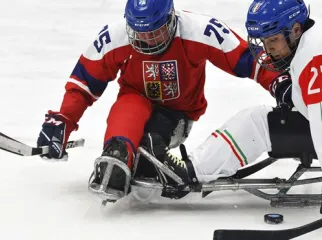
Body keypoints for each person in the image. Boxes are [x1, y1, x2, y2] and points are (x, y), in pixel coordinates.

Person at [36, 0, 278, 200]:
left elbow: (248, 59)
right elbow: (84, 82)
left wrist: (280, 83)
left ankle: (139, 158)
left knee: (149, 143)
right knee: (129, 107)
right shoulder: (115, 36)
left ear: (171, 19)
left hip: (178, 114)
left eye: (155, 32)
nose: (148, 40)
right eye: (140, 33)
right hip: (135, 99)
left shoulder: (200, 30)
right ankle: (118, 153)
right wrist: (63, 121)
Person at [164, 0, 322, 186]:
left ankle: (192, 171)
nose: (268, 49)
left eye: (272, 40)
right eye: (264, 41)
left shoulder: (312, 60)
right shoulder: (312, 35)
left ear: (296, 30)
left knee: (257, 123)